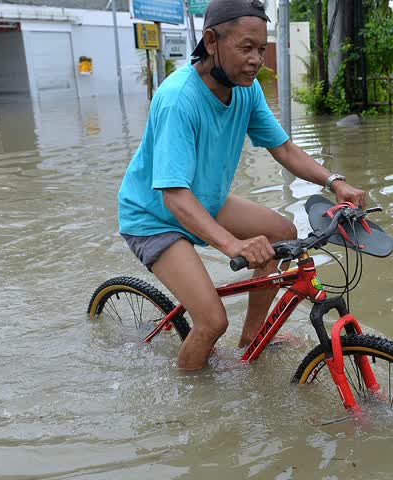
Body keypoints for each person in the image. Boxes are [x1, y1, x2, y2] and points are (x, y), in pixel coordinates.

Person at [117, 0, 366, 370]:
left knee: (280, 233)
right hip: (156, 218)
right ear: (212, 41)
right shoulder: (178, 99)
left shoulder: (245, 89)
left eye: (261, 49)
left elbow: (282, 147)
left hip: (205, 201)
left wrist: (335, 182)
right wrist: (233, 244)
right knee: (212, 322)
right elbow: (174, 196)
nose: (256, 60)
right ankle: (192, 399)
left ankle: (252, 338)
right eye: (246, 48)